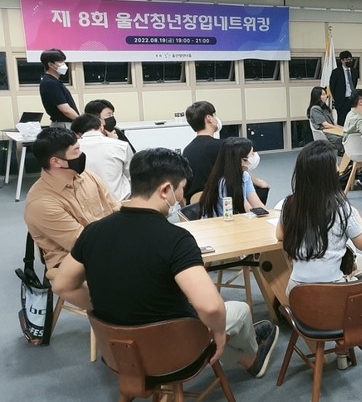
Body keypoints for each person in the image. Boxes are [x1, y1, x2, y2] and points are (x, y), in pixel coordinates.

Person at [51, 148, 279, 378]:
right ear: (166, 190)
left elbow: (61, 285)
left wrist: (101, 307)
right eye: (181, 189)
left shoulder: (93, 232)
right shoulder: (176, 239)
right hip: (175, 350)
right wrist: (219, 333)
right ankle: (253, 357)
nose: (180, 197)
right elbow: (211, 307)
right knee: (238, 311)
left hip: (118, 348)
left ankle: (246, 357)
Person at [276, 140, 362, 364]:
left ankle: (349, 344)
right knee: (358, 266)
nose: (337, 168)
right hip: (333, 299)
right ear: (327, 174)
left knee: (357, 264)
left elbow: (279, 236)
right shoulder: (341, 208)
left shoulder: (289, 204)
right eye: (334, 164)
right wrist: (356, 215)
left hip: (298, 297)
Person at [23, 127, 120, 309]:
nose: (81, 154)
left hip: (106, 243)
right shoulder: (41, 203)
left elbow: (115, 209)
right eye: (76, 151)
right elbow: (84, 244)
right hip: (75, 259)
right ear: (56, 162)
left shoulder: (87, 176)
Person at [199, 137, 267, 217]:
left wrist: (268, 214)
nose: (254, 155)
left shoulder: (245, 176)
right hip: (220, 222)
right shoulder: (225, 182)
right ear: (242, 160)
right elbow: (245, 210)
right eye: (252, 153)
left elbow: (257, 204)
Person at [71, 113, 133, 201]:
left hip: (85, 203)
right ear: (101, 126)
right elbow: (131, 175)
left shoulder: (71, 149)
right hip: (120, 201)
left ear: (77, 134)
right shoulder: (121, 145)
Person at [182, 101, 223, 203]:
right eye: (214, 115)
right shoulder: (221, 146)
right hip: (216, 201)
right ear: (209, 118)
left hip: (192, 205)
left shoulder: (187, 150)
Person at [39, 48, 78, 128]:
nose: (64, 65)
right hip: (64, 125)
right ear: (50, 65)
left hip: (64, 124)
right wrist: (83, 122)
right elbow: (66, 110)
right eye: (60, 62)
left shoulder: (54, 81)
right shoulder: (50, 83)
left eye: (63, 61)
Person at [307, 86, 344, 153]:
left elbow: (333, 123)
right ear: (317, 97)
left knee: (348, 136)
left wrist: (341, 128)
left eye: (325, 94)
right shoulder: (315, 109)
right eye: (323, 94)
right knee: (344, 139)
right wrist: (338, 128)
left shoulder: (325, 108)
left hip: (333, 131)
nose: (326, 96)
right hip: (326, 134)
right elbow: (325, 125)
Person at [328, 50, 359, 126]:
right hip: (341, 101)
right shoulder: (336, 72)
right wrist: (337, 98)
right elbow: (332, 87)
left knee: (353, 120)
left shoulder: (354, 71)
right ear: (342, 60)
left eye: (350, 59)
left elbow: (354, 83)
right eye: (347, 60)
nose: (349, 61)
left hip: (352, 99)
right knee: (342, 121)